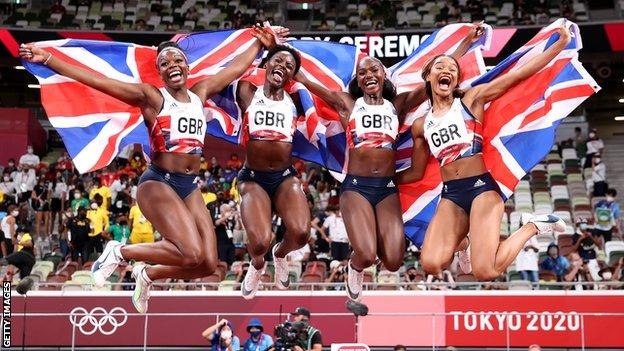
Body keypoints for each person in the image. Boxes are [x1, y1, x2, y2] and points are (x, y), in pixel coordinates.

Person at [20, 25, 278, 312]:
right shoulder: (152, 97)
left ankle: (147, 274)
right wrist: (49, 60)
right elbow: (98, 81)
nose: (172, 65)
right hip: (159, 183)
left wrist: (260, 43)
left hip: (189, 186)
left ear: (187, 66)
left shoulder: (200, 93)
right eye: (164, 63)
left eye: (177, 60)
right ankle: (119, 251)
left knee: (205, 262)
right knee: (190, 251)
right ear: (160, 72)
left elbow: (234, 69)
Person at [294, 24, 484, 301]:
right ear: (358, 81)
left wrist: (466, 41)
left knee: (394, 261)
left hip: (386, 189)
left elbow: (437, 74)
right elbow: (304, 78)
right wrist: (278, 49)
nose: (369, 75)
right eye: (363, 72)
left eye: (374, 70)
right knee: (368, 254)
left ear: (384, 75)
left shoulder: (398, 105)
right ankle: (356, 265)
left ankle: (368, 254)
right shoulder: (347, 103)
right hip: (356, 187)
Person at [398, 25, 570, 282]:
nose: (446, 71)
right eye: (440, 67)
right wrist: (385, 179)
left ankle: (534, 225)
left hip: (481, 190)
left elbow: (519, 75)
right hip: (452, 195)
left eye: (452, 69)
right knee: (432, 264)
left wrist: (559, 46)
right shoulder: (421, 125)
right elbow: (416, 171)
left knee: (485, 272)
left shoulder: (471, 100)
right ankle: (464, 243)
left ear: (456, 80)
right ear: (428, 76)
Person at [236, 44, 312, 299]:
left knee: (301, 233)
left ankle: (280, 254)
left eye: (289, 66)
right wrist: (262, 45)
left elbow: (317, 96)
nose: (283, 66)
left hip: (283, 177)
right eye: (277, 61)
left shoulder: (296, 101)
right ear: (266, 64)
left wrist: (298, 73)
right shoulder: (248, 92)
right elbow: (240, 68)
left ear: (293, 76)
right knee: (259, 242)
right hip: (254, 178)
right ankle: (257, 264)